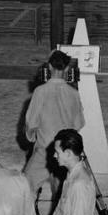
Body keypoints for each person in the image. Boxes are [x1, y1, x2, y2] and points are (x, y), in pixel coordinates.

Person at [22, 49, 85, 200]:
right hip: (66, 154)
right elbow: (79, 124)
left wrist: (32, 139)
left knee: (24, 189)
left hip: (44, 151)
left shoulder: (40, 91)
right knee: (62, 193)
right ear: (67, 68)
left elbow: (31, 122)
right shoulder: (74, 93)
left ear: (49, 67)